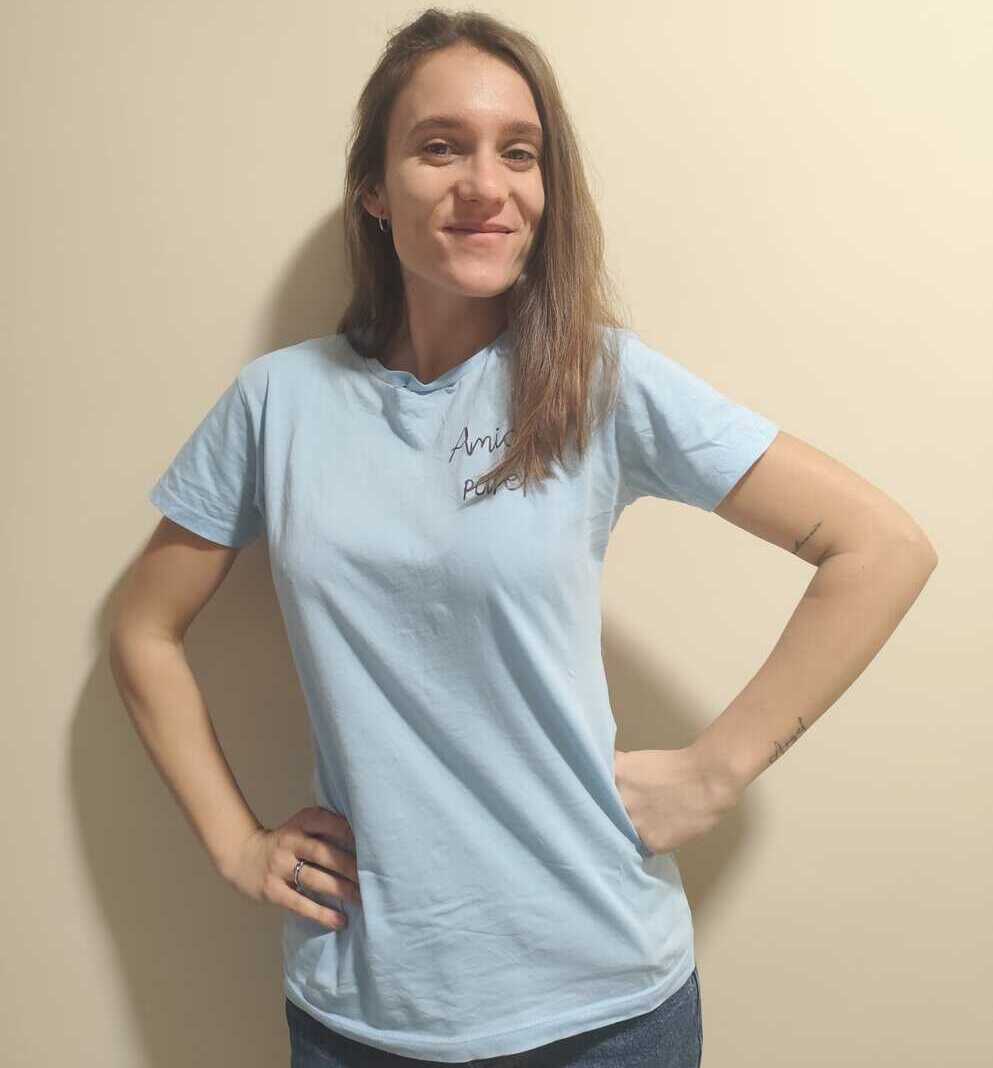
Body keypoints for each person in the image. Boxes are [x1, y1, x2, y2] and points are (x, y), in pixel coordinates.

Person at [110, 8, 938, 1068]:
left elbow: (881, 548)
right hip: (362, 1010)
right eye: (439, 146)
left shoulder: (595, 380)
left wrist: (716, 771)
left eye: (519, 152)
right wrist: (237, 844)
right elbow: (142, 629)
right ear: (373, 188)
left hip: (607, 1010)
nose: (486, 186)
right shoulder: (279, 404)